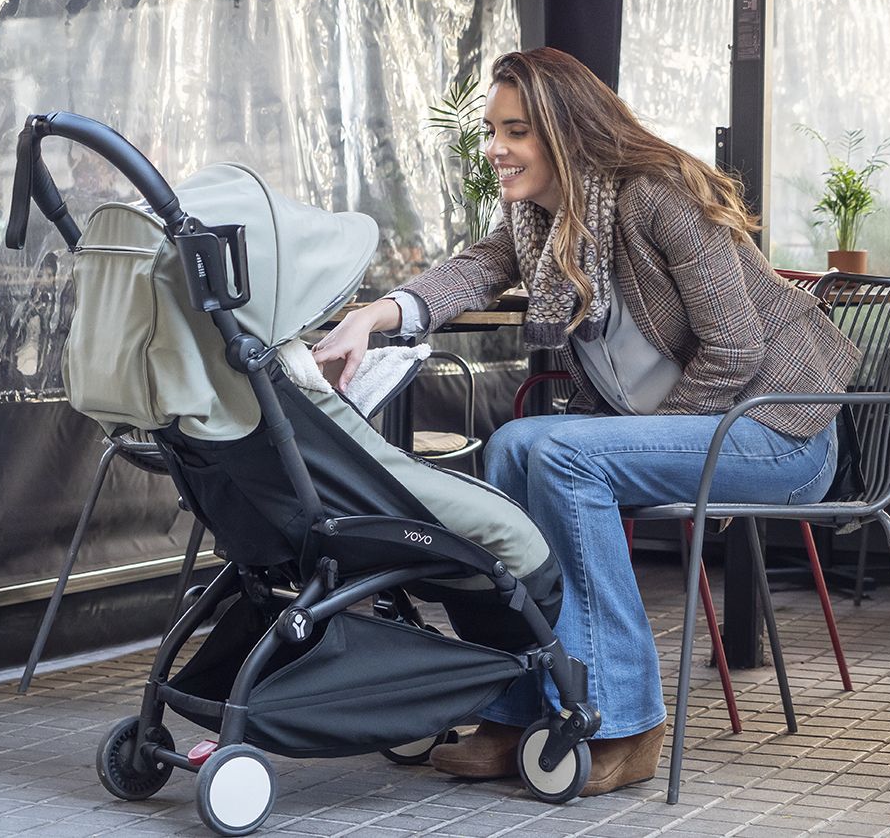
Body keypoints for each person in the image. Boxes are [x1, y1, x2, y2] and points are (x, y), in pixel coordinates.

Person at [312, 47, 861, 796]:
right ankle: (518, 703)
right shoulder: (544, 217)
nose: (495, 150)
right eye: (492, 131)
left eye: (516, 132)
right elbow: (473, 268)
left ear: (566, 132)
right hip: (689, 430)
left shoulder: (656, 195)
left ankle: (628, 723)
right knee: (512, 451)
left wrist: (657, 443)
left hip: (773, 432)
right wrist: (372, 317)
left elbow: (734, 348)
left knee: (565, 454)